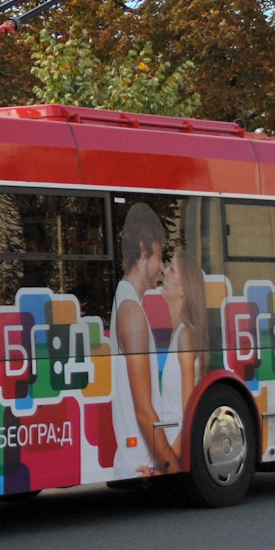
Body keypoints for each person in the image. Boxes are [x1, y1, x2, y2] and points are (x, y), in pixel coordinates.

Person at [111, 201, 176, 477]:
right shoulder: (132, 312)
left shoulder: (125, 301)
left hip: (137, 460)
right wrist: (172, 466)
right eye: (160, 255)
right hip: (139, 463)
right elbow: (144, 410)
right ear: (142, 249)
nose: (162, 267)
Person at [151, 249, 207, 447]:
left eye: (172, 269)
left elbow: (188, 416)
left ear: (183, 289)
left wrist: (168, 462)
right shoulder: (180, 334)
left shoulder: (185, 335)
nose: (165, 271)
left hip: (175, 444)